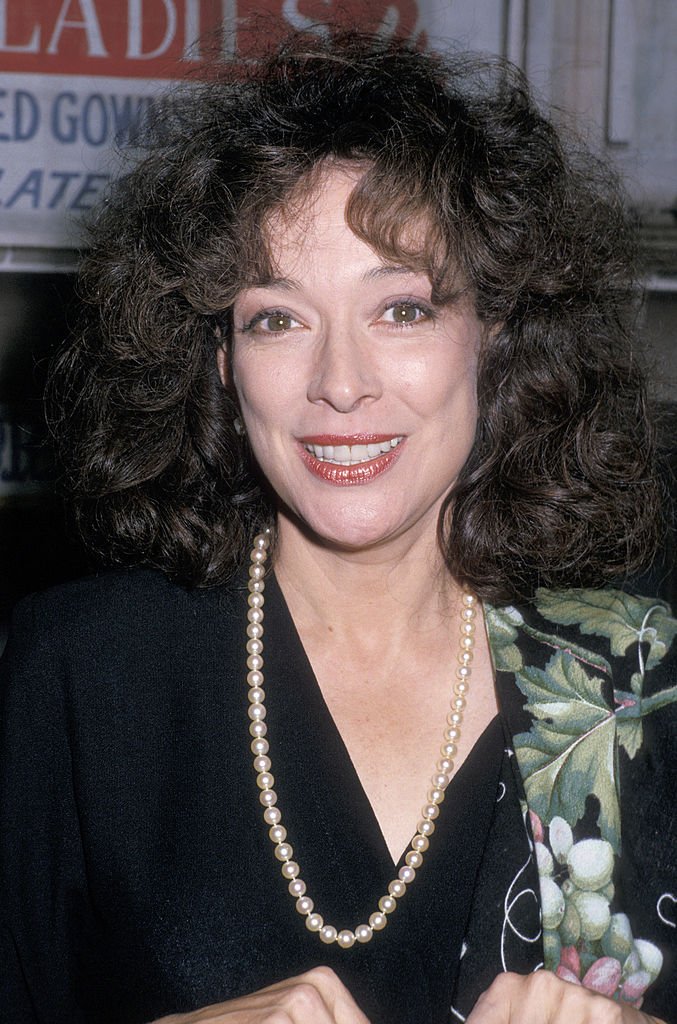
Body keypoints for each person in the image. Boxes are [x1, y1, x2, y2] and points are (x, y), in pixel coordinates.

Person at [1, 29, 676, 1024]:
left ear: (489, 331)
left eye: (399, 309)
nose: (340, 383)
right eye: (277, 318)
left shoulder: (637, 664)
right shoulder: (81, 673)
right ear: (223, 361)